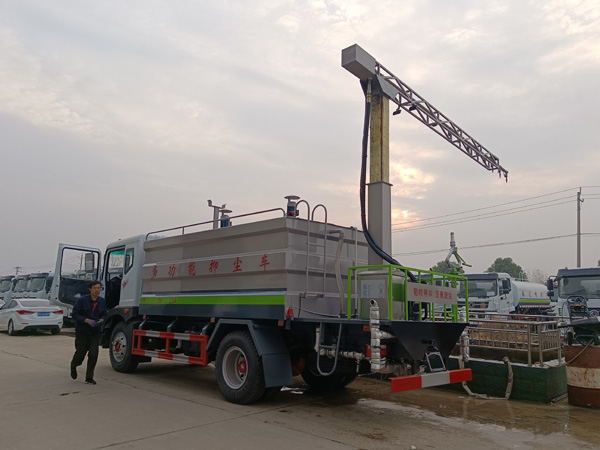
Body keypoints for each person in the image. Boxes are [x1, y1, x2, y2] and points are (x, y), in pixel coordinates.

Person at [70, 280, 107, 385]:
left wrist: (101, 320)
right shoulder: (82, 300)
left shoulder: (102, 301)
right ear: (90, 289)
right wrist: (86, 320)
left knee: (93, 354)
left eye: (99, 288)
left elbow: (104, 313)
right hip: (83, 331)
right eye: (95, 288)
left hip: (95, 332)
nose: (97, 290)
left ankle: (89, 377)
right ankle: (73, 366)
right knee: (80, 354)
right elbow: (75, 314)